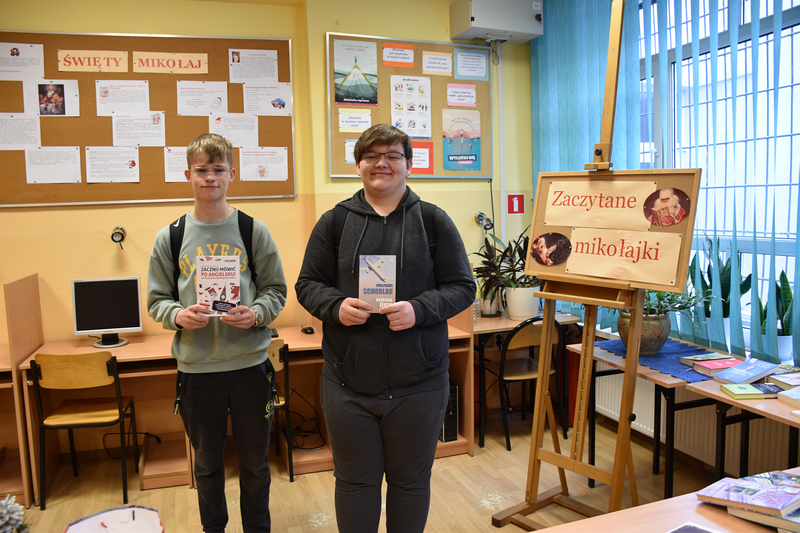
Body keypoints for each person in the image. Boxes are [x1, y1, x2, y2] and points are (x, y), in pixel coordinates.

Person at [295, 123, 475, 533]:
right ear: (358, 165)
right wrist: (336, 306)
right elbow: (307, 284)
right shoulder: (334, 222)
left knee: (410, 483)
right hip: (348, 385)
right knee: (355, 483)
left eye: (393, 156)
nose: (382, 164)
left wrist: (418, 309)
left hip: (420, 383)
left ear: (409, 165)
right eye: (372, 156)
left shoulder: (432, 220)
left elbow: (463, 287)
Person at [147, 133, 287, 533]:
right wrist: (178, 315)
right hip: (197, 370)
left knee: (255, 465)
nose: (210, 177)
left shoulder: (252, 230)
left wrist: (256, 314)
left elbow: (276, 290)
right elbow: (156, 300)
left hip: (250, 368)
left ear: (232, 175)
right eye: (202, 170)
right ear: (188, 175)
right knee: (207, 466)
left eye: (219, 170)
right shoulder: (171, 236)